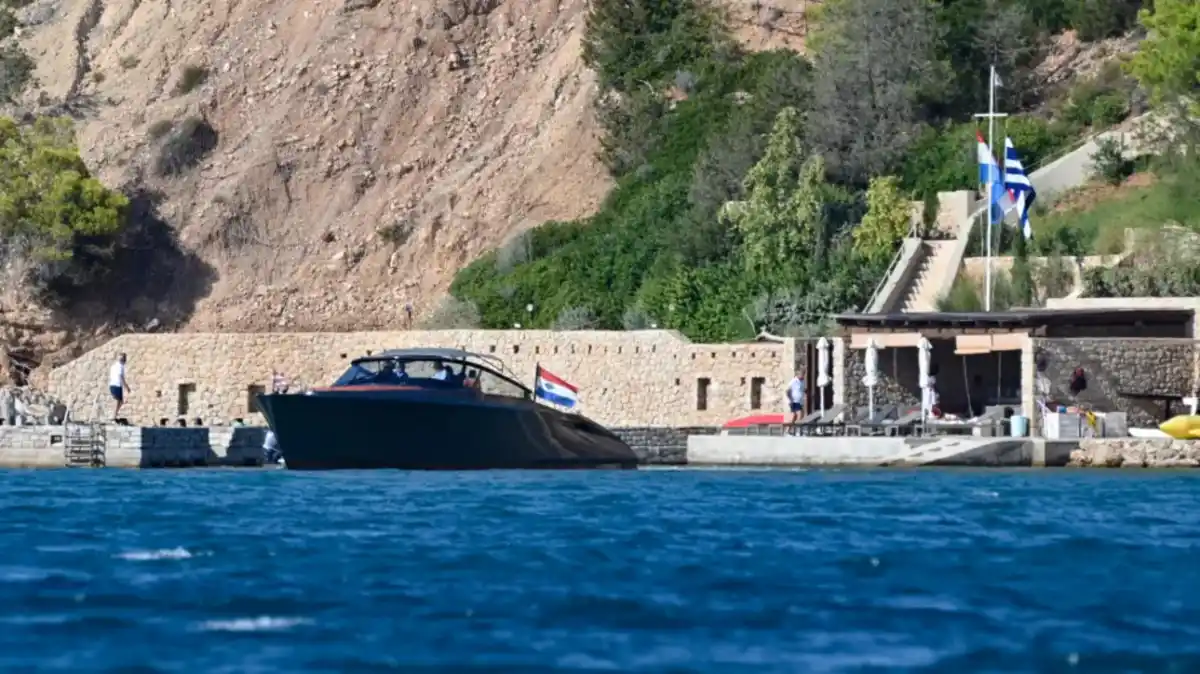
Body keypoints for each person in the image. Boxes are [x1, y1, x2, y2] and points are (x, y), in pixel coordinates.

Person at [108, 353, 130, 420]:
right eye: (124, 359)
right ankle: (113, 415)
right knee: (118, 400)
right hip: (116, 385)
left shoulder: (114, 366)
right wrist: (126, 387)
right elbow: (120, 377)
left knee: (120, 401)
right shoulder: (120, 366)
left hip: (112, 384)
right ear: (124, 359)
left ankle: (115, 414)